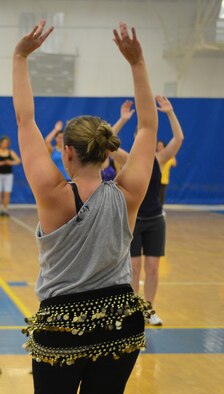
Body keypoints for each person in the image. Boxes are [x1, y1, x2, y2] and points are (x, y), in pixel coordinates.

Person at [14, 21, 157, 393]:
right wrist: (137, 63)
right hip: (121, 319)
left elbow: (25, 120)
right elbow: (147, 127)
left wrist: (20, 56)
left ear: (65, 153)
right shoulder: (129, 192)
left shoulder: (52, 193)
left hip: (62, 325)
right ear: (108, 150)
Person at [111, 95, 184, 326]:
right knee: (133, 267)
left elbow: (179, 138)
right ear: (135, 141)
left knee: (153, 268)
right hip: (133, 220)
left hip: (155, 219)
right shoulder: (126, 159)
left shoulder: (160, 159)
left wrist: (170, 112)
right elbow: (106, 142)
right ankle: (133, 309)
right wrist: (122, 120)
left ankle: (149, 309)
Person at [157, 140, 177, 205]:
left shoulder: (168, 157)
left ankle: (160, 210)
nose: (159, 147)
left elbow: (174, 163)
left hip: (163, 180)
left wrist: (172, 153)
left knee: (161, 197)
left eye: (161, 146)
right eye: (158, 146)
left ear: (164, 147)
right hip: (155, 180)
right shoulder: (155, 156)